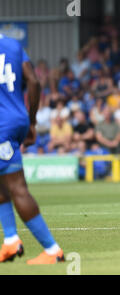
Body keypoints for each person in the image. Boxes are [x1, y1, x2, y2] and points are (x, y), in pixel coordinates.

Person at [0, 34, 64, 263]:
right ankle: (10, 240)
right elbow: (34, 82)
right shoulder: (12, 44)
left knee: (17, 188)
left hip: (2, 126)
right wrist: (32, 121)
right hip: (17, 119)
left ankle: (52, 249)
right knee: (2, 183)